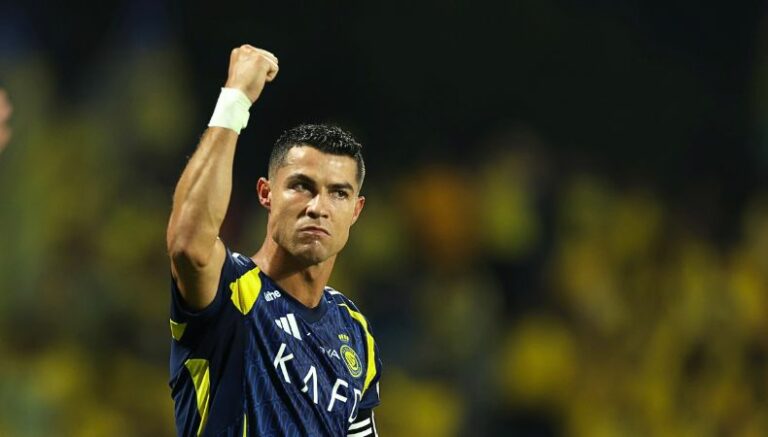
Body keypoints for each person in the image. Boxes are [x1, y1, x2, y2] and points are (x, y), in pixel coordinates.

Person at [166, 44, 381, 437]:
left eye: (338, 193)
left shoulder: (354, 331)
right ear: (266, 194)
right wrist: (235, 99)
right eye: (301, 186)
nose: (318, 207)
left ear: (356, 210)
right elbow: (188, 245)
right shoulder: (231, 289)